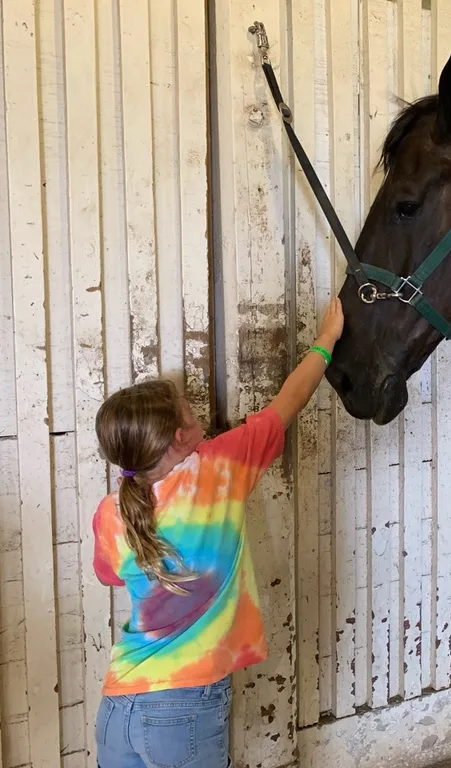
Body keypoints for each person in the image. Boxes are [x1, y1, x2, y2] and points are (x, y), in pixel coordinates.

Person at [91, 298, 344, 768]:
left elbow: (109, 575)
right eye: (189, 413)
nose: (196, 416)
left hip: (117, 704)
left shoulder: (110, 512)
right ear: (179, 440)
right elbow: (290, 401)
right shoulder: (218, 469)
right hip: (184, 707)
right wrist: (327, 340)